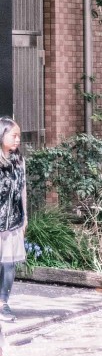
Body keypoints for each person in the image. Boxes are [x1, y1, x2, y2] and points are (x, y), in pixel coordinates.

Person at [0, 118, 25, 323]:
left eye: (19, 136)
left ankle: (3, 303)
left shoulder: (19, 160)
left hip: (14, 221)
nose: (17, 139)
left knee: (9, 265)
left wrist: (25, 217)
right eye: (13, 135)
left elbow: (22, 190)